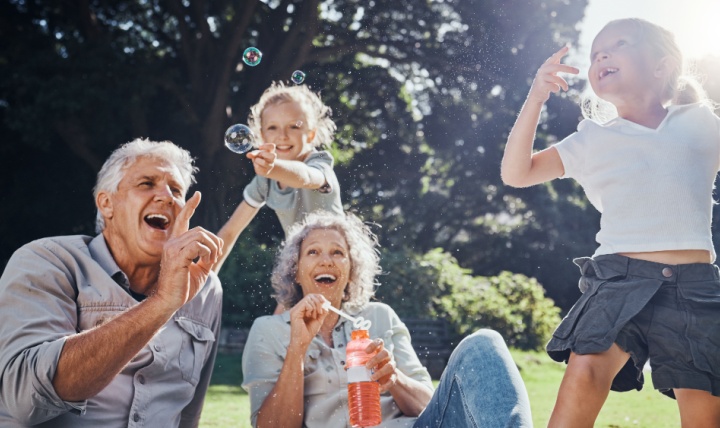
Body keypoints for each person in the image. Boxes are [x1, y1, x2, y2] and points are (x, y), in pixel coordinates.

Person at [501, 18, 720, 427]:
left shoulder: (702, 124)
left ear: (661, 66)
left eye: (618, 45)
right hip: (619, 278)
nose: (601, 55)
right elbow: (517, 173)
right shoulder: (592, 139)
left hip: (695, 287)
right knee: (585, 372)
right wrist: (535, 98)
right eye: (595, 53)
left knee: (704, 411)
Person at [0, 138, 224, 427]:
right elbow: (24, 400)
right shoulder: (48, 261)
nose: (167, 197)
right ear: (107, 204)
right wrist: (162, 303)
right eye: (146, 183)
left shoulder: (206, 289)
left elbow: (188, 414)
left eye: (177, 190)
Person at [241, 211, 532, 427]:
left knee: (484, 343)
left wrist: (394, 378)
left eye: (338, 253)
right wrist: (297, 349)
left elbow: (430, 408)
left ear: (352, 271)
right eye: (313, 252)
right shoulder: (268, 330)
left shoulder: (379, 317)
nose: (326, 260)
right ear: (296, 269)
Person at [215, 81, 344, 274]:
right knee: (286, 303)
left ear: (310, 134)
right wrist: (205, 276)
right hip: (302, 266)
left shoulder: (319, 163)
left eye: (293, 126)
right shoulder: (265, 180)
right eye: (273, 128)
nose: (282, 135)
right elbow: (230, 231)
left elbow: (306, 177)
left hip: (337, 261)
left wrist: (274, 167)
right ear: (261, 136)